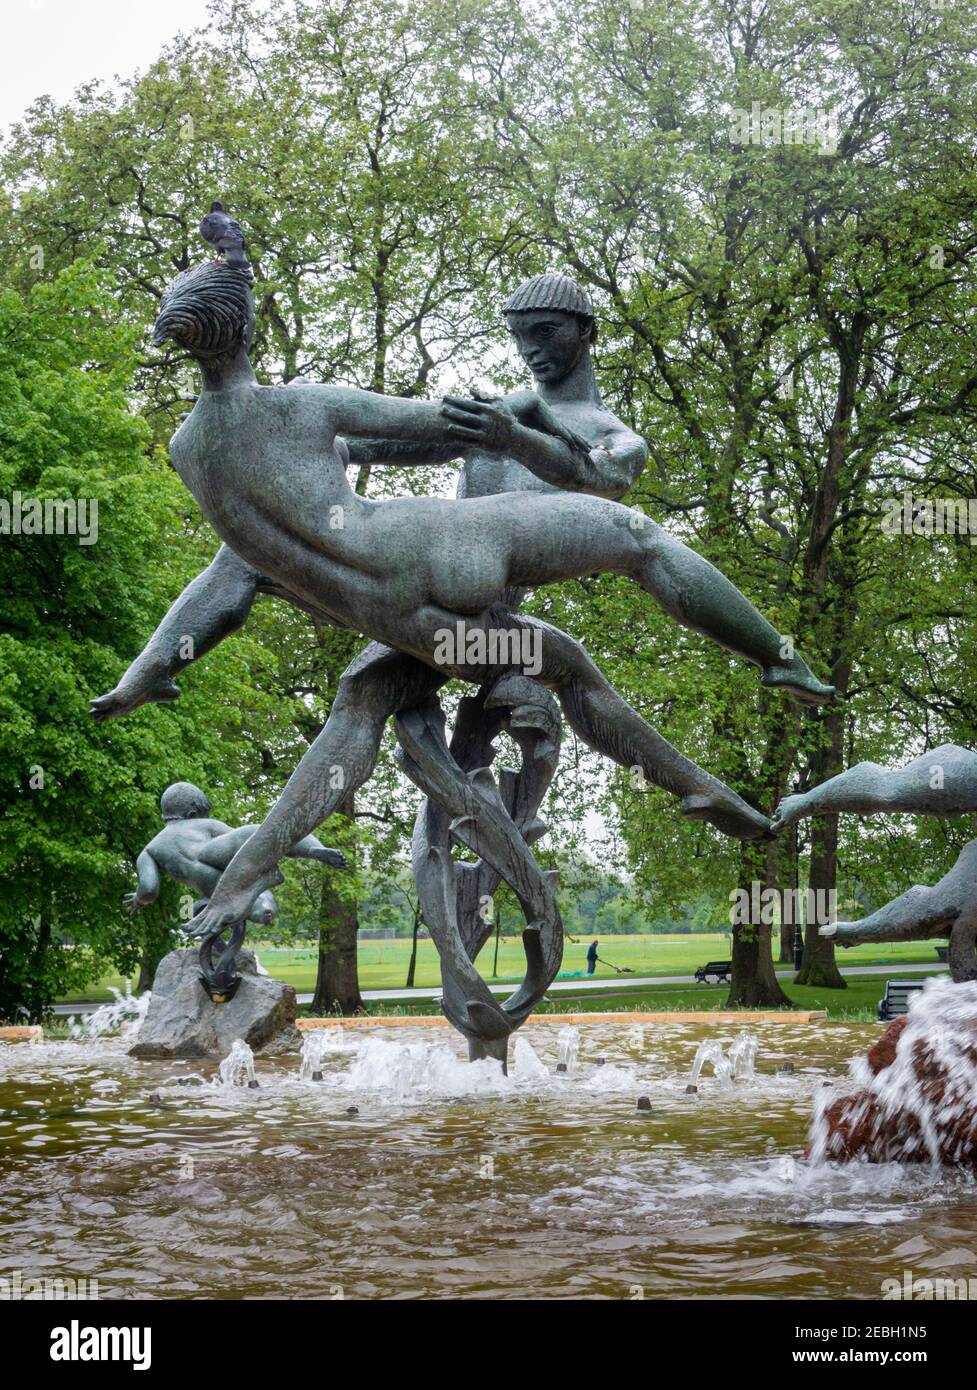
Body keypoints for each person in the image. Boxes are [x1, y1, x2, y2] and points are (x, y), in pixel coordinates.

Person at [93, 250, 833, 938]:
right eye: (522, 337)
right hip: (443, 566)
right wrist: (506, 430)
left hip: (413, 618)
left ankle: (238, 883)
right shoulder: (308, 406)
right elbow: (435, 435)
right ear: (248, 326)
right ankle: (773, 660)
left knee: (382, 703)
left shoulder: (192, 446)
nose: (532, 350)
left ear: (582, 332)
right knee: (632, 548)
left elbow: (599, 470)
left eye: (544, 334)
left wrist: (148, 671)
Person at [125, 781, 349, 927]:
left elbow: (149, 889)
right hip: (211, 853)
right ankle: (311, 849)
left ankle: (260, 910)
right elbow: (248, 851)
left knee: (238, 893)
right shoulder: (204, 824)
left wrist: (138, 900)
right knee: (260, 835)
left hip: (205, 884)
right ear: (193, 812)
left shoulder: (150, 850)